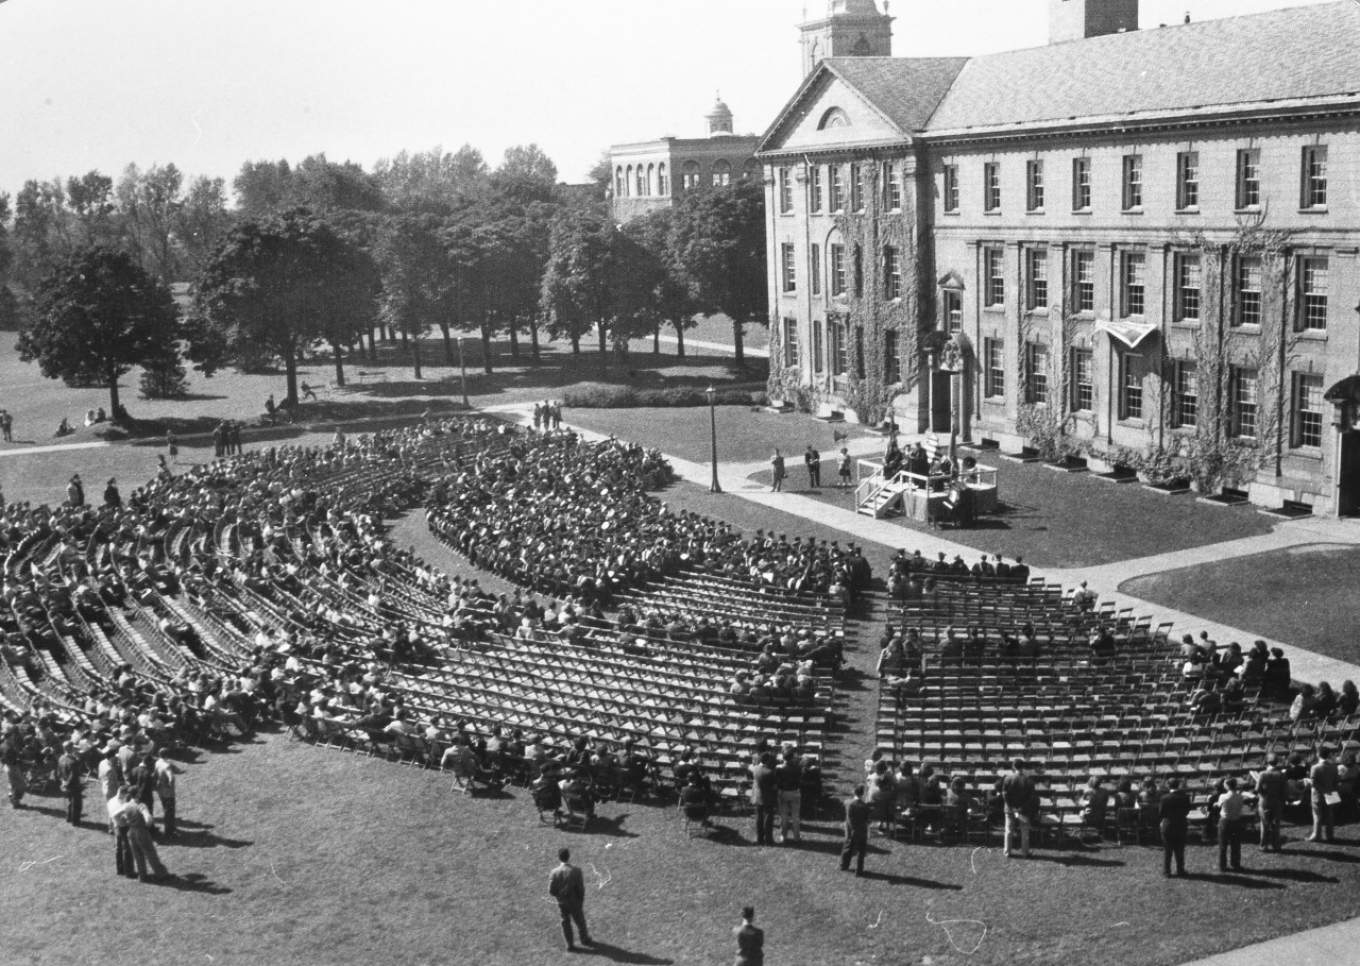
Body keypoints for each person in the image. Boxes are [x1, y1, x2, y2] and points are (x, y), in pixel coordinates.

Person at [548, 847, 592, 952]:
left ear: (559, 858)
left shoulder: (554, 872)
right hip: (575, 901)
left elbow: (551, 890)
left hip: (562, 902)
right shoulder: (576, 871)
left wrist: (559, 896)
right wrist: (581, 900)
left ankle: (569, 944)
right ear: (569, 856)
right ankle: (584, 939)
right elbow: (581, 888)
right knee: (580, 921)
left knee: (565, 922)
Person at [1001, 758, 1035, 858]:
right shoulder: (1028, 780)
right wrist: (1020, 808)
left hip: (1009, 809)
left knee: (1008, 830)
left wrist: (1012, 807)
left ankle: (1007, 852)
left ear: (1013, 766)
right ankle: (1025, 852)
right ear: (1023, 767)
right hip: (1023, 810)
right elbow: (1030, 797)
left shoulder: (1007, 778)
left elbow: (1004, 795)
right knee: (1024, 831)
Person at [1159, 777, 1191, 877]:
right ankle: (1180, 869)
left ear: (1168, 785)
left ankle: (1166, 871)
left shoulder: (1164, 798)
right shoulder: (1185, 797)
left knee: (1168, 850)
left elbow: (1161, 813)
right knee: (1180, 850)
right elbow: (1187, 811)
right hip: (1181, 824)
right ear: (1178, 785)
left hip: (1168, 825)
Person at [1255, 757, 1286, 852]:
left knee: (1264, 824)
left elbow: (1257, 789)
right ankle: (1276, 845)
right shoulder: (1281, 774)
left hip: (1265, 800)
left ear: (1267, 763)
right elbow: (1284, 789)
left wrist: (1263, 794)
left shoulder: (1263, 774)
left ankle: (1263, 845)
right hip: (1277, 800)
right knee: (1276, 824)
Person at [1216, 777, 1246, 872]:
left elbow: (1219, 805)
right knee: (1236, 844)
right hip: (1236, 820)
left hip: (1225, 820)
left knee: (1223, 844)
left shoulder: (1223, 796)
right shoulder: (1240, 796)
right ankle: (1235, 863)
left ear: (1227, 786)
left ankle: (1222, 865)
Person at [1309, 746, 1338, 843]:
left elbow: (1313, 783)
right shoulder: (1334, 767)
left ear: (1318, 754)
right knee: (1330, 815)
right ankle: (1330, 835)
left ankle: (1316, 835)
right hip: (1330, 793)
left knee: (1317, 815)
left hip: (1318, 794)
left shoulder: (1315, 767)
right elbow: (1336, 781)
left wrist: (1323, 790)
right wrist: (1331, 790)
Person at [840, 784, 870, 875]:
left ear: (854, 792)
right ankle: (859, 870)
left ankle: (844, 865)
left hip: (850, 829)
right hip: (861, 830)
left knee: (847, 847)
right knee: (861, 851)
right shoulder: (864, 806)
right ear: (863, 794)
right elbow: (867, 819)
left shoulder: (847, 802)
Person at [774, 748, 802, 842]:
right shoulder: (798, 767)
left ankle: (783, 836)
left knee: (783, 816)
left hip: (783, 793)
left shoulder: (779, 768)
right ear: (792, 757)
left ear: (783, 757)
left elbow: (777, 781)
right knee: (795, 817)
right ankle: (796, 837)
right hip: (795, 792)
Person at [56, 741, 83, 825]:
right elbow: (74, 775)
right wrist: (67, 783)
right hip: (73, 785)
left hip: (65, 783)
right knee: (76, 803)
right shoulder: (73, 761)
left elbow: (58, 773)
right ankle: (75, 821)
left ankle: (68, 817)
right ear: (71, 749)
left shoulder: (61, 758)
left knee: (69, 802)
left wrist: (63, 782)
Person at [154, 748, 178, 837]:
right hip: (168, 793)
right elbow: (171, 778)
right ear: (167, 755)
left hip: (160, 791)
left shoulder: (157, 763)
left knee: (166, 809)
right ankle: (169, 832)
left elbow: (155, 775)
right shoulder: (167, 765)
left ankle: (171, 828)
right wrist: (170, 786)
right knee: (170, 812)